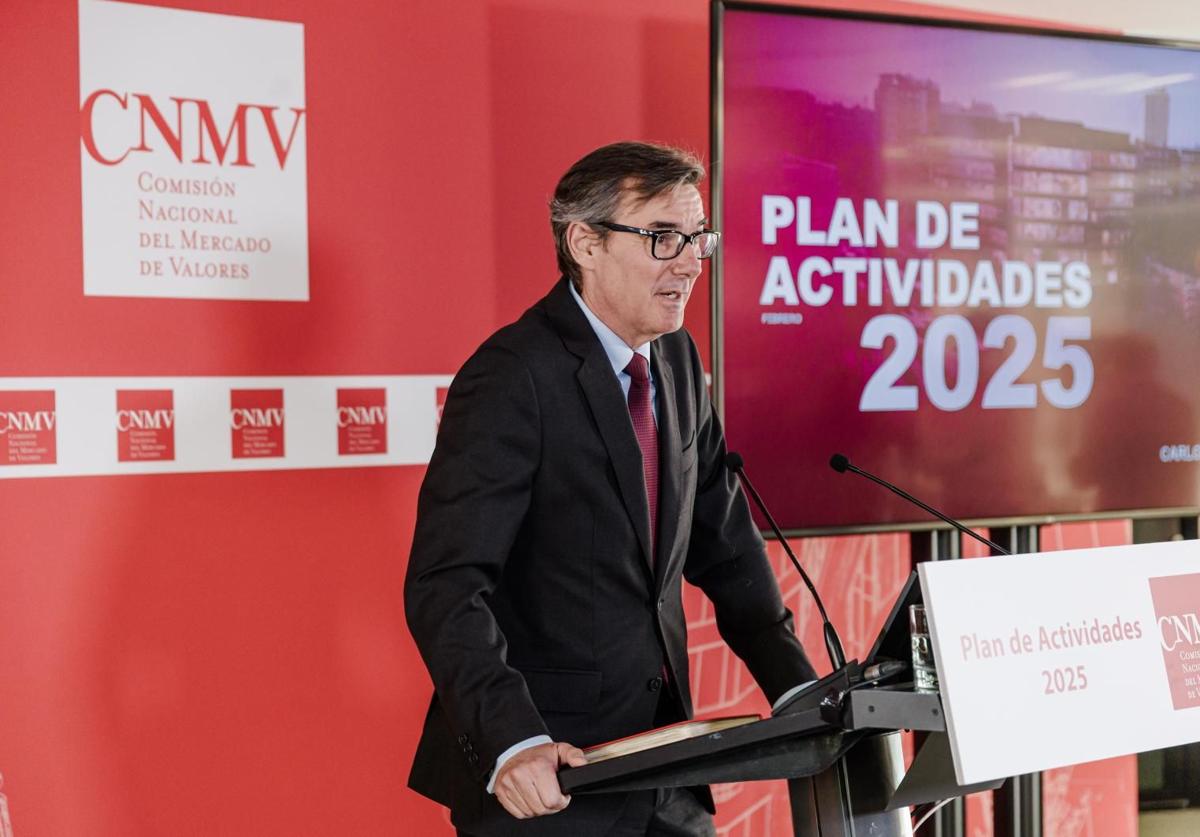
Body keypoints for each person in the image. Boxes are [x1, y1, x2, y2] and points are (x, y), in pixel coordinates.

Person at [405, 141, 818, 836]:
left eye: (697, 237)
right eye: (663, 238)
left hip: (663, 768)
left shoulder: (678, 358)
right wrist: (514, 740)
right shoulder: (513, 376)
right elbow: (446, 583)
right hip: (551, 782)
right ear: (585, 243)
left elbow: (724, 544)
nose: (690, 261)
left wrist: (800, 688)